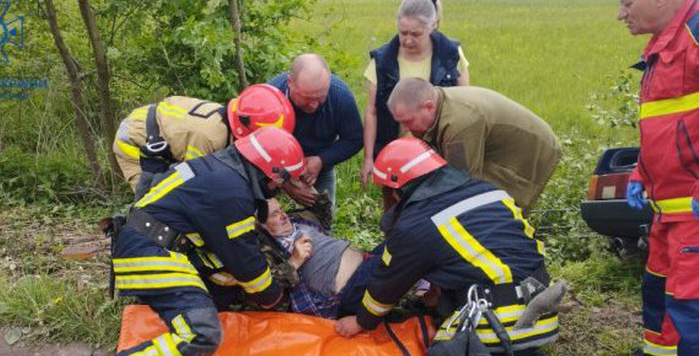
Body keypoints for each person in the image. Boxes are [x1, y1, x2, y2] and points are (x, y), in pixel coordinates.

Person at [69, 127, 305, 356]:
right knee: (203, 331)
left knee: (217, 300)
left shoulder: (222, 171)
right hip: (150, 250)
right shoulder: (232, 192)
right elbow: (247, 266)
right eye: (282, 180)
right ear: (270, 172)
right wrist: (275, 293)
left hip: (152, 242)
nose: (280, 188)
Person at [335, 137, 577, 356]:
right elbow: (488, 257)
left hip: (499, 325)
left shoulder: (416, 225)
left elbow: (384, 289)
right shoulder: (489, 193)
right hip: (541, 318)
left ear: (396, 190)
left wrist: (361, 322)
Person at [603, 0, 699, 356]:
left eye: (627, 3)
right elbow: (663, 124)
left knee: (692, 303)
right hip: (668, 208)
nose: (621, 15)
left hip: (693, 210)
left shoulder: (696, 33)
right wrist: (643, 172)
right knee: (658, 286)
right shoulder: (663, 47)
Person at [385, 78, 561, 212]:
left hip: (530, 149)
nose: (405, 129)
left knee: (494, 209)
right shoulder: (437, 103)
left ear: (428, 106)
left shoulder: (459, 124)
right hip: (497, 143)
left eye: (408, 121)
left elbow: (459, 181)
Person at [360, 0, 470, 207]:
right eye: (403, 32)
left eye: (416, 34)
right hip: (396, 155)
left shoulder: (451, 55)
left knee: (439, 208)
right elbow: (372, 112)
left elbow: (464, 104)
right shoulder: (382, 60)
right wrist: (368, 159)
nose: (408, 40)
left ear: (433, 25)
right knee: (394, 213)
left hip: (440, 151)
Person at [113, 84, 295, 199]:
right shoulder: (210, 138)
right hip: (136, 141)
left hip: (166, 135)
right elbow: (196, 185)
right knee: (158, 200)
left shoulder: (227, 125)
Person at [268, 53, 364, 208]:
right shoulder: (271, 96)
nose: (313, 105)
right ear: (290, 83)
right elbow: (255, 146)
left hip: (319, 166)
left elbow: (355, 138)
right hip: (273, 164)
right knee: (262, 217)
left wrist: (322, 160)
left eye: (320, 98)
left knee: (323, 215)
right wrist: (286, 183)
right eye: (307, 98)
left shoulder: (339, 95)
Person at [258, 197, 376, 318]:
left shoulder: (299, 219)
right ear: (262, 225)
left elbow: (324, 212)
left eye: (281, 209)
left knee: (391, 250)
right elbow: (266, 293)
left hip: (366, 261)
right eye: (274, 214)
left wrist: (307, 188)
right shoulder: (267, 251)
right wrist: (293, 262)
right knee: (392, 269)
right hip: (351, 288)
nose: (283, 215)